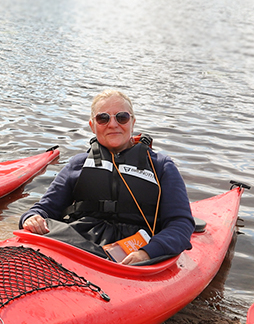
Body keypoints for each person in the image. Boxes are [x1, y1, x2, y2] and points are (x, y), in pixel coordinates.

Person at [19, 89, 194, 264]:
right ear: (92, 125)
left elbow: (181, 224)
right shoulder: (78, 164)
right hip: (78, 244)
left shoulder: (162, 166)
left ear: (133, 122)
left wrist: (148, 253)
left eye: (122, 117)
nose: (112, 124)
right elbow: (44, 209)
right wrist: (31, 218)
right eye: (103, 118)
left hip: (136, 254)